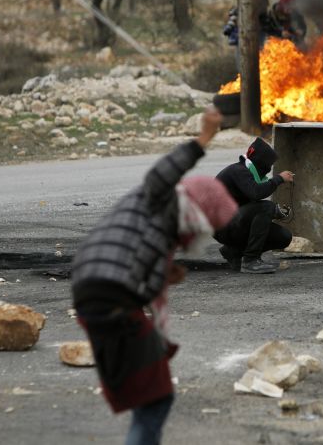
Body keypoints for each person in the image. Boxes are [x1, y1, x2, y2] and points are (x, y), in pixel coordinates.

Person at [71, 108, 238, 445]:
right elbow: (163, 172)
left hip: (98, 293)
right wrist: (204, 138)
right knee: (155, 399)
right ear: (198, 209)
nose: (201, 236)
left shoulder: (161, 229)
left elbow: (137, 262)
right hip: (111, 296)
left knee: (149, 395)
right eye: (207, 225)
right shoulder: (160, 198)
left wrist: (163, 273)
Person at [214, 137, 294, 274]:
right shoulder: (238, 171)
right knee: (266, 207)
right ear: (260, 162)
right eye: (268, 165)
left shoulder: (246, 173)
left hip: (234, 223)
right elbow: (256, 193)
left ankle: (234, 252)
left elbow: (249, 205)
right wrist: (279, 179)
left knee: (284, 236)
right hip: (221, 227)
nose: (268, 169)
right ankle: (250, 260)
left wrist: (276, 213)